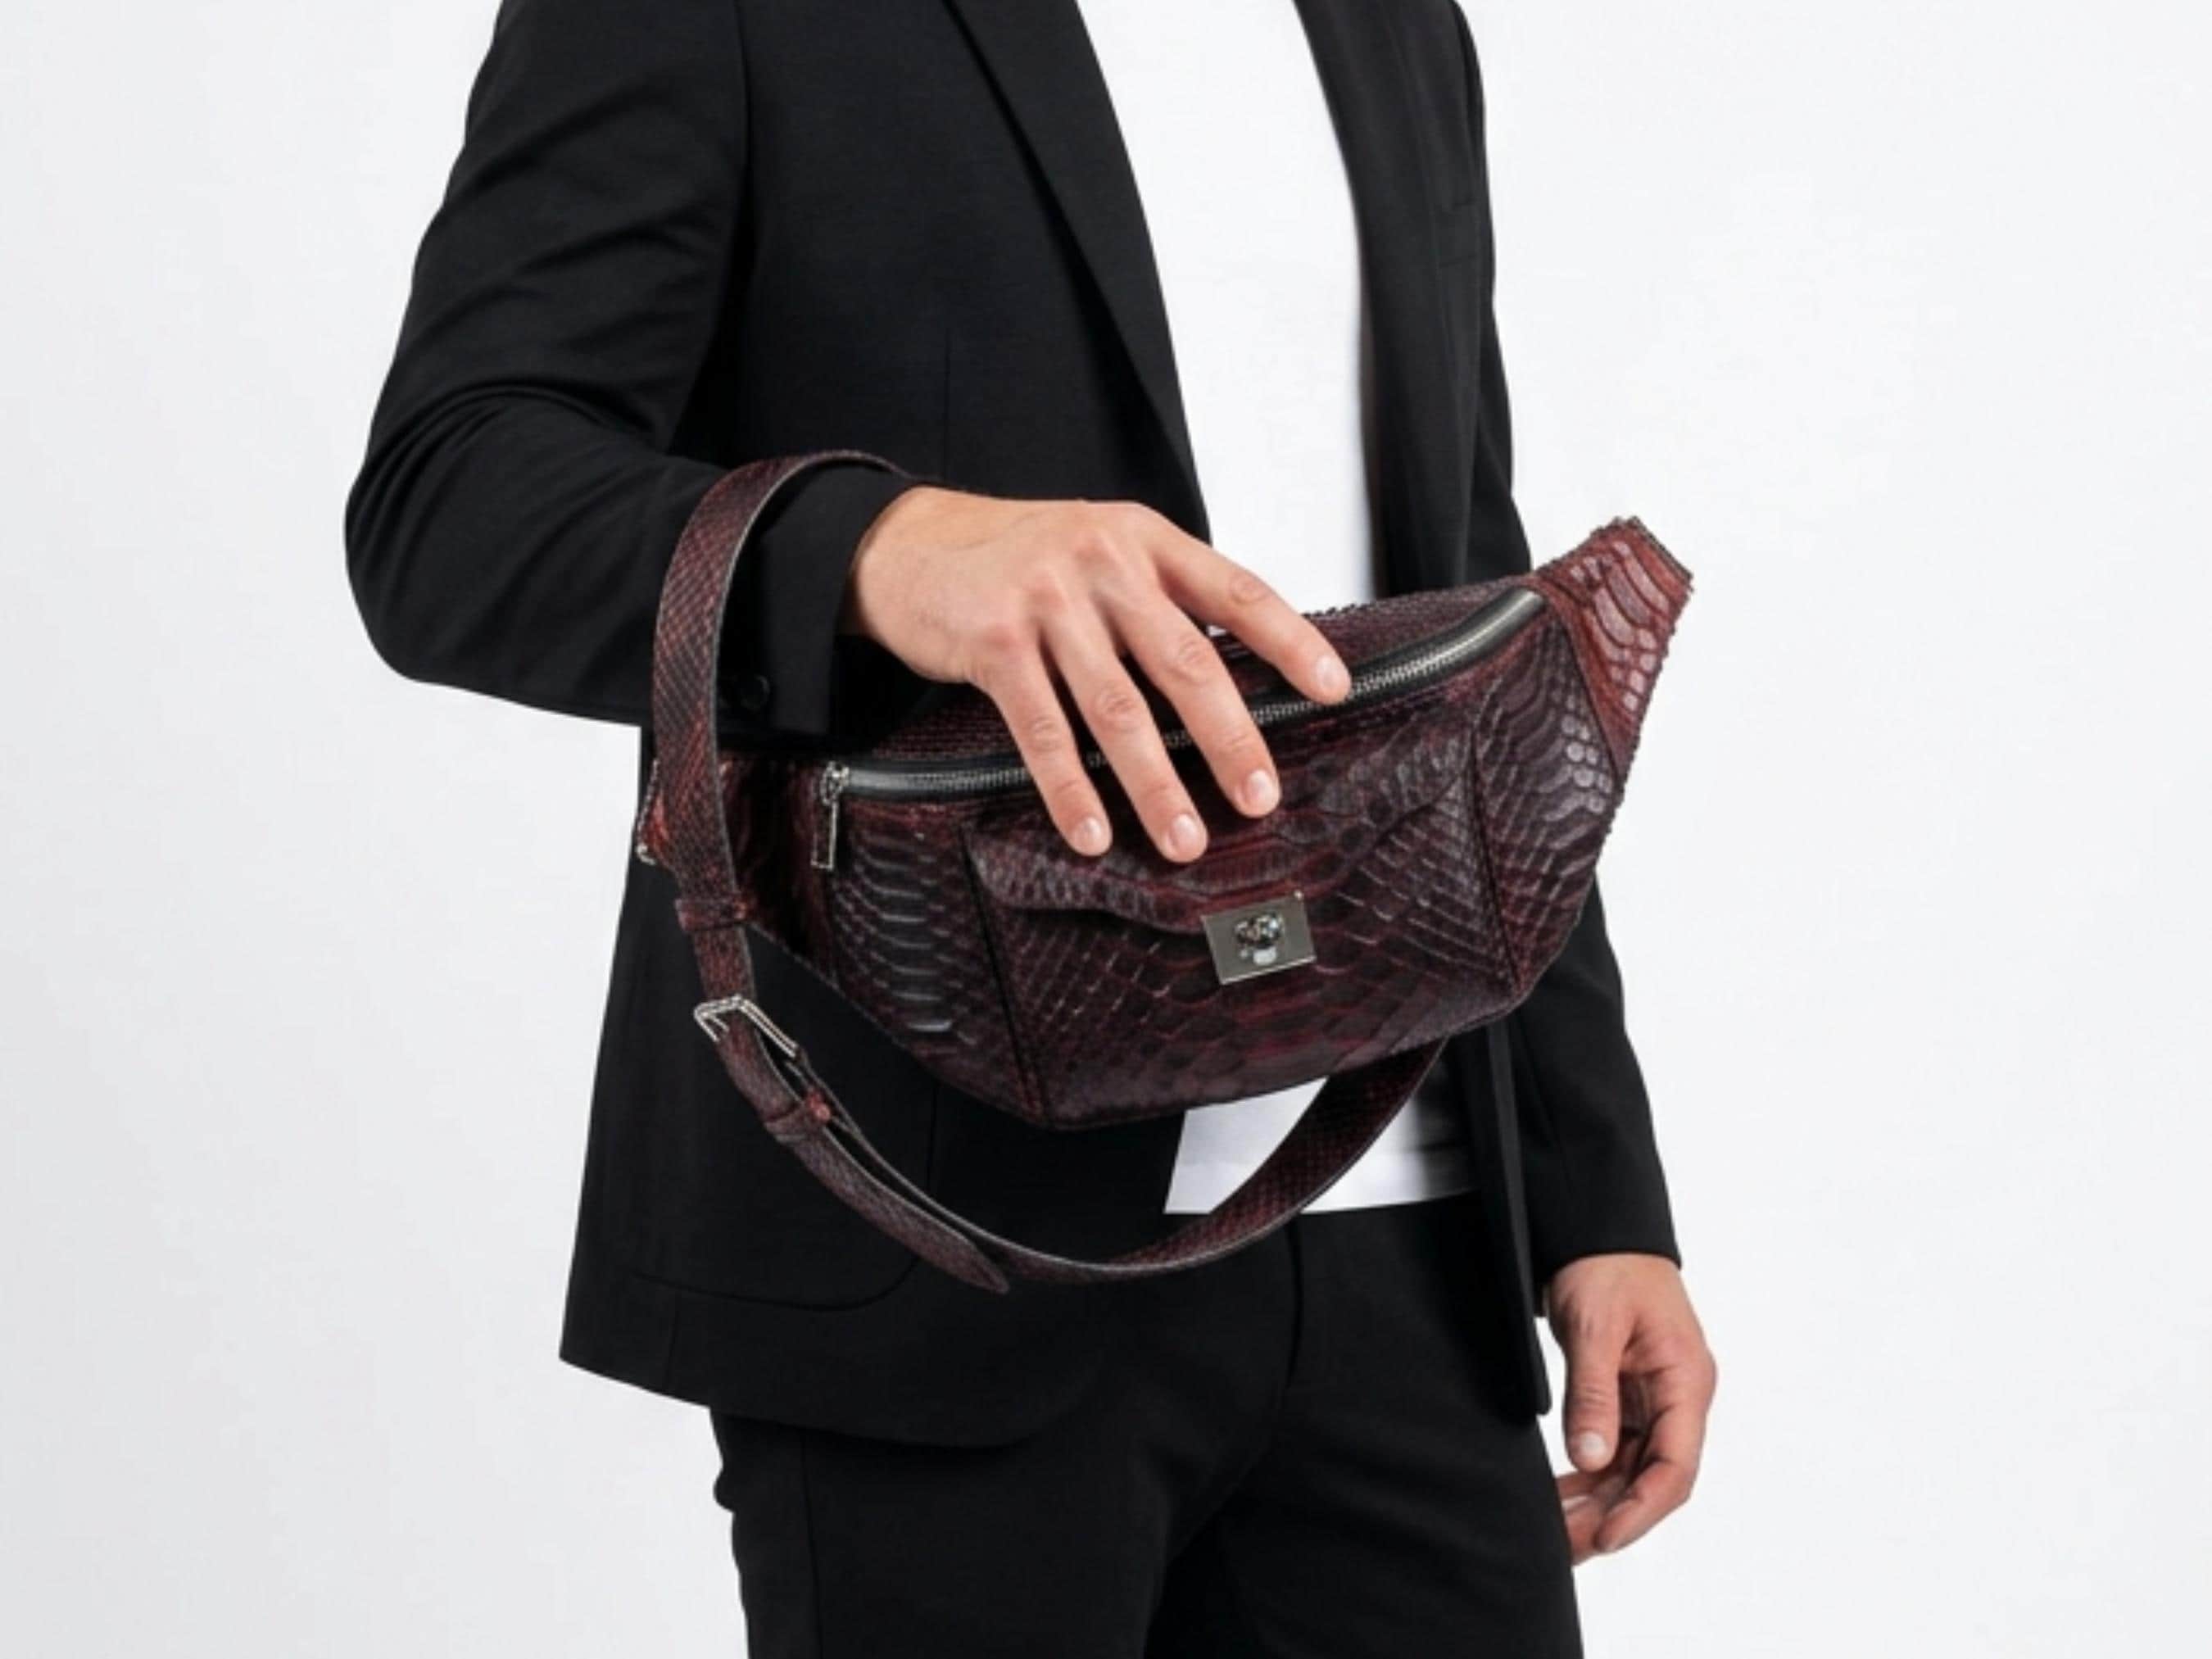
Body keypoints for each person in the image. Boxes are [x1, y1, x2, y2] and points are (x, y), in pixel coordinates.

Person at [347, 0, 1716, 1651]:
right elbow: (448, 500)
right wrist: (876, 550)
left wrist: (1592, 1188)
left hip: (1410, 1218)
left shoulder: (1396, 21)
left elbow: (1466, 623)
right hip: (933, 1232)